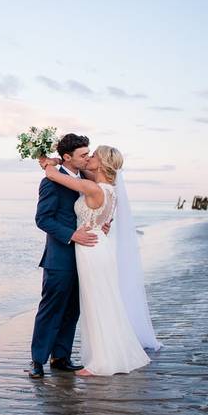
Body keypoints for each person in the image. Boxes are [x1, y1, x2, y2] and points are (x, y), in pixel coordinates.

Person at [39, 146, 151, 376]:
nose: (89, 158)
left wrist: (46, 160)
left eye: (93, 156)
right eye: (86, 155)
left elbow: (52, 174)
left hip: (90, 250)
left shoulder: (91, 187)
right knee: (104, 301)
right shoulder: (111, 189)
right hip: (99, 247)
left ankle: (101, 361)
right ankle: (110, 354)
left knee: (96, 304)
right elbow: (101, 218)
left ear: (100, 164)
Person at [29, 134, 101, 378]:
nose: (87, 158)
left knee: (73, 309)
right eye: (83, 155)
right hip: (60, 257)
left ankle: (61, 357)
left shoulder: (85, 179)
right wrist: (72, 235)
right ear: (67, 158)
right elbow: (43, 219)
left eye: (88, 153)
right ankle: (38, 360)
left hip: (86, 257)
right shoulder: (50, 182)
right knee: (51, 308)